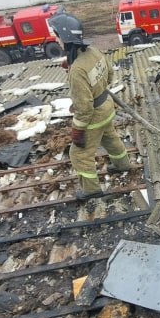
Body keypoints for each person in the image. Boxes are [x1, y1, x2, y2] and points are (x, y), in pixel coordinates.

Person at [49, 11, 131, 200]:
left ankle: (91, 190)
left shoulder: (77, 70)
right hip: (107, 107)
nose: (56, 39)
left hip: (94, 116)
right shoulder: (93, 51)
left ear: (66, 38)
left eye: (57, 36)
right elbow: (109, 74)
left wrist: (78, 129)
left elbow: (84, 108)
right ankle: (123, 165)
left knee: (79, 154)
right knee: (110, 138)